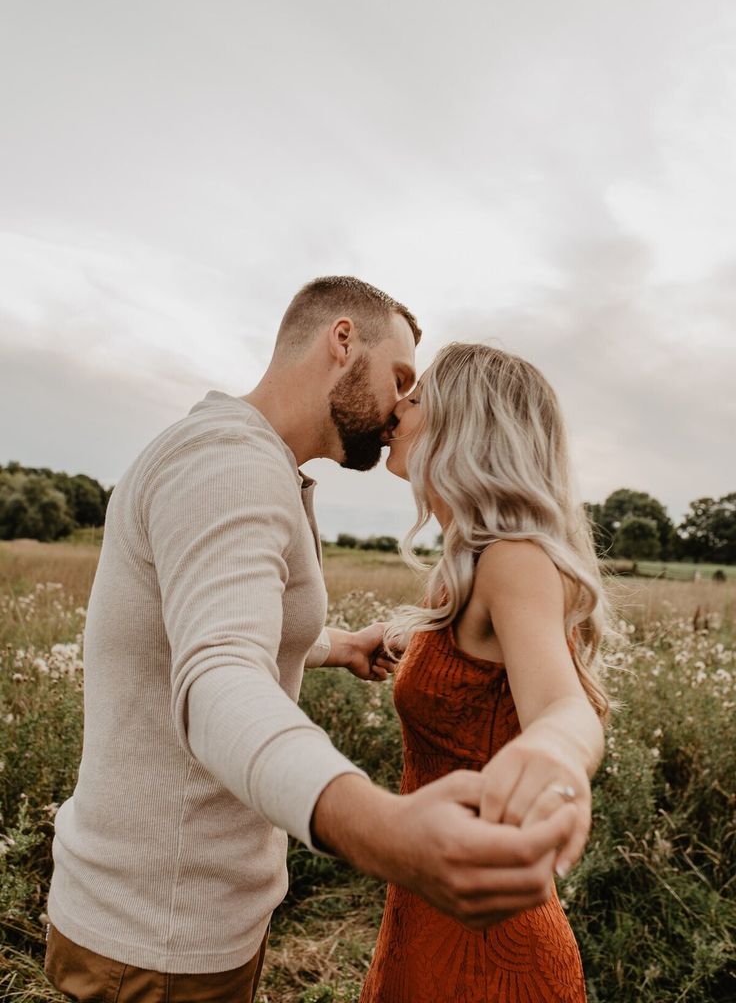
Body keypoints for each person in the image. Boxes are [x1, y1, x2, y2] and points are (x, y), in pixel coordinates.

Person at [44, 279, 577, 1003]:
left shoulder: (257, 466)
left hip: (198, 914)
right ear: (342, 340)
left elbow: (226, 624)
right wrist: (378, 828)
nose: (398, 407)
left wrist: (335, 644)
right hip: (157, 929)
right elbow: (219, 670)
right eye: (399, 380)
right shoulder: (228, 464)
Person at [361, 342, 611, 1003]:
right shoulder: (464, 566)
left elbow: (563, 705)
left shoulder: (513, 561)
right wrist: (376, 638)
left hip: (490, 948)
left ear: (465, 426)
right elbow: (471, 669)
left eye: (416, 399)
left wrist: (556, 749)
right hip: (425, 902)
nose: (396, 409)